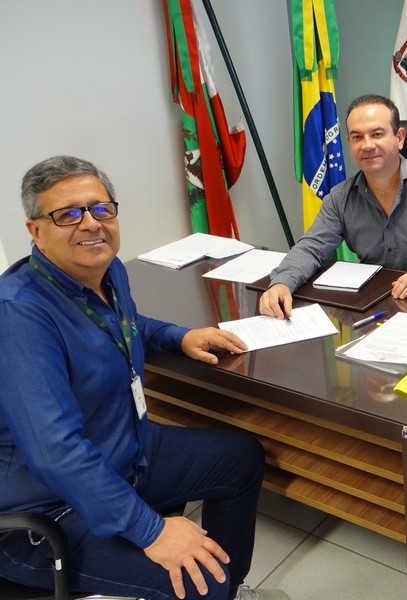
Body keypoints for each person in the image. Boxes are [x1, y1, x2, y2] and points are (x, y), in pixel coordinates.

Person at [0, 156, 284, 600]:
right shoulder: (19, 314)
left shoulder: (107, 270)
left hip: (121, 451)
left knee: (240, 458)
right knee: (201, 582)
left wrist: (178, 336)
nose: (91, 223)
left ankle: (229, 591)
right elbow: (56, 453)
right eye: (68, 214)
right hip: (50, 507)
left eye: (101, 208)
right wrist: (152, 531)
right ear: (35, 230)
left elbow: (123, 324)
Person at [259, 94, 407, 319]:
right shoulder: (340, 198)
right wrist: (282, 283)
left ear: (399, 138)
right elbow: (311, 248)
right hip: (371, 307)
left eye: (377, 134)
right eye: (357, 137)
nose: (367, 145)